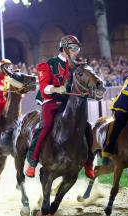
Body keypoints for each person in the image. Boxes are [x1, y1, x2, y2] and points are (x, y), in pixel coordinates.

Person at [24, 35, 95, 179]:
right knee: (46, 125)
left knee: (86, 126)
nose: (77, 51)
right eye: (74, 48)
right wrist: (56, 89)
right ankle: (32, 162)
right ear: (65, 49)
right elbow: (44, 88)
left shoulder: (78, 66)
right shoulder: (48, 64)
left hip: (68, 103)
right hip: (50, 101)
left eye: (77, 48)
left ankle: (89, 163)